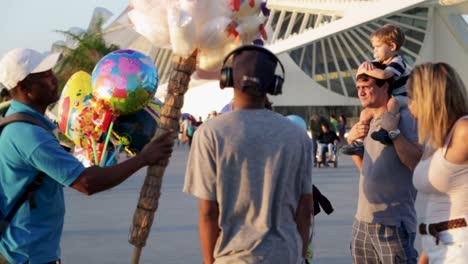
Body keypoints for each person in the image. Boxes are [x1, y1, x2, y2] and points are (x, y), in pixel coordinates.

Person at [0, 48, 174, 264]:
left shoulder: (27, 125)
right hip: (25, 256)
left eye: (51, 72)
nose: (54, 79)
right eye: (45, 75)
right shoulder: (28, 135)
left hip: (29, 251)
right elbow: (86, 183)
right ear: (24, 88)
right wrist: (144, 158)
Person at [183, 45, 313, 264]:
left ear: (227, 79)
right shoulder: (297, 135)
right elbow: (306, 206)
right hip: (285, 255)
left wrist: (209, 261)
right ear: (274, 85)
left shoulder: (210, 133)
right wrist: (299, 255)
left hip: (233, 258)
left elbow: (208, 211)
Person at [346, 63, 422, 263]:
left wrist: (394, 133)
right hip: (362, 222)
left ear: (385, 86)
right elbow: (366, 170)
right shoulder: (367, 121)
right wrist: (352, 142)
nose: (361, 91)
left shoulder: (405, 118)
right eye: (358, 87)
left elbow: (417, 164)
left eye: (366, 85)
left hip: (394, 224)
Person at [408, 63, 468, 264]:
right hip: (436, 243)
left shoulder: (463, 131)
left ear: (427, 98)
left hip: (460, 247)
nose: (409, 105)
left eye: (411, 97)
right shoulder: (434, 140)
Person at [342, 24, 410, 156]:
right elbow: (361, 76)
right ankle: (360, 143)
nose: (375, 51)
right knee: (365, 114)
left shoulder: (397, 61)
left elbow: (385, 75)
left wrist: (367, 69)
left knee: (393, 104)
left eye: (378, 47)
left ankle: (387, 131)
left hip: (403, 97)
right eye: (374, 47)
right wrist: (363, 67)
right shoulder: (379, 62)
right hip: (391, 96)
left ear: (392, 46)